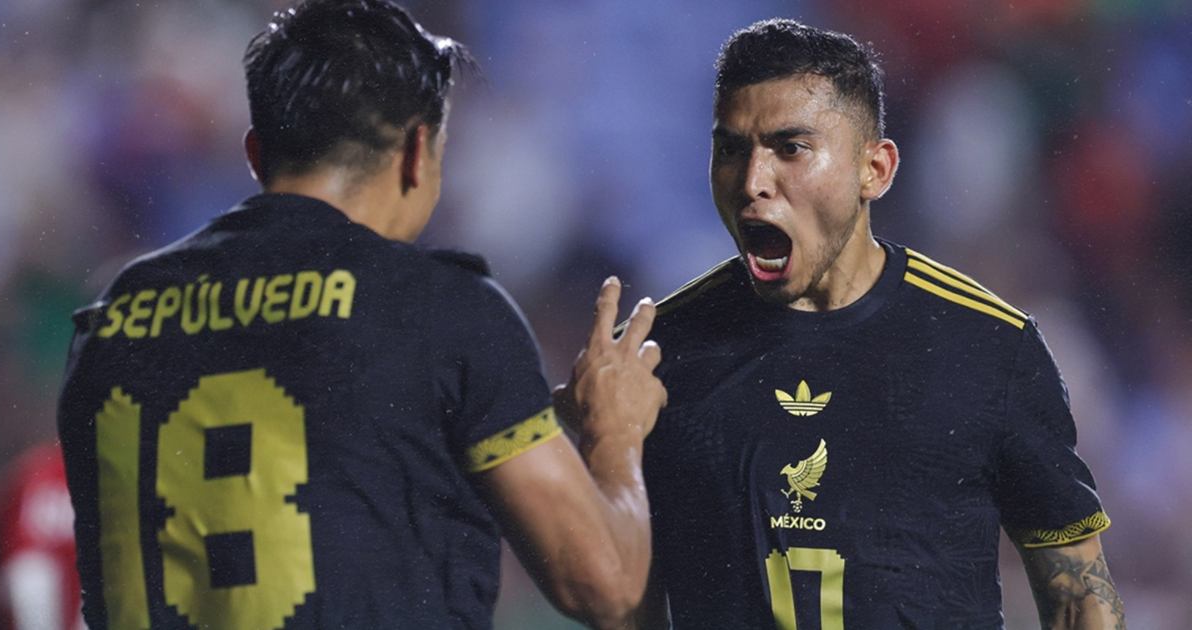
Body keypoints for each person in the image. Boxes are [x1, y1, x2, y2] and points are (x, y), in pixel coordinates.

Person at [56, 2, 666, 629]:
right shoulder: (441, 310)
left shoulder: (110, 322)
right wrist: (614, 436)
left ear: (256, 154)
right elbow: (607, 590)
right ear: (417, 151)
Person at [636, 19, 1126, 629]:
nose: (753, 182)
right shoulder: (662, 352)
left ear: (875, 169)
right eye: (732, 149)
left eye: (791, 148)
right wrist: (601, 453)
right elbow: (614, 598)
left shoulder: (990, 347)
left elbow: (1080, 599)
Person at [0, 442, 85, 630]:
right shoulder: (37, 467)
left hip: (84, 595)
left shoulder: (38, 465)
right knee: (32, 574)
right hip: (34, 588)